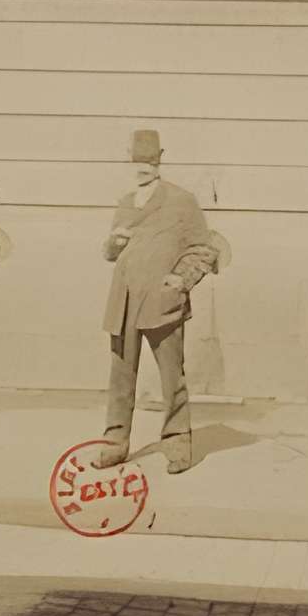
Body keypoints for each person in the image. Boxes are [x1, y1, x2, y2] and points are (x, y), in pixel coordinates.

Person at [95, 129, 218, 476]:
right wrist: (114, 244)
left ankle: (178, 443)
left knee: (171, 378)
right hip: (124, 302)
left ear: (160, 159)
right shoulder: (124, 202)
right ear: (128, 159)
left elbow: (203, 249)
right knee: (120, 379)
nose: (143, 167)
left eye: (149, 161)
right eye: (137, 160)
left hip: (162, 304)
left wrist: (181, 279)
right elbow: (109, 253)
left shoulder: (181, 201)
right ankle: (114, 444)